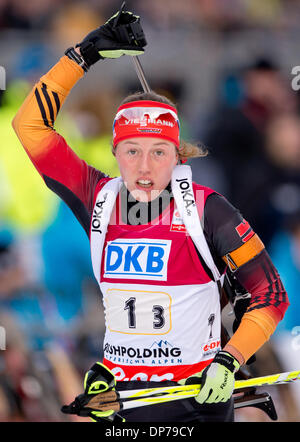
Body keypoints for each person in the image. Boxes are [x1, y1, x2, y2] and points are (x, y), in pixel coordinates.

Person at [12, 7, 289, 423]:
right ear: (114, 153)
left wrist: (230, 361)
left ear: (177, 155)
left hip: (198, 401)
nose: (144, 168)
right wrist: (86, 53)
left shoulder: (206, 209)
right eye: (132, 151)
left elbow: (270, 295)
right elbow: (29, 125)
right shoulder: (96, 197)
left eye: (158, 152)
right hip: (124, 402)